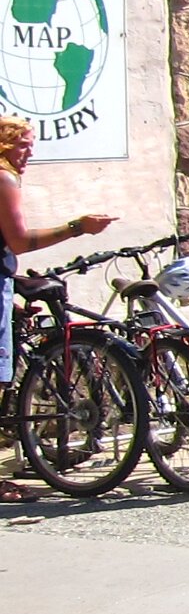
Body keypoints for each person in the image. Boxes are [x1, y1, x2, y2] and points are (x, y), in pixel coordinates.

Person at [0, 112, 115, 503]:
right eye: (22, 144)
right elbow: (18, 240)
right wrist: (77, 227)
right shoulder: (4, 179)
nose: (29, 152)